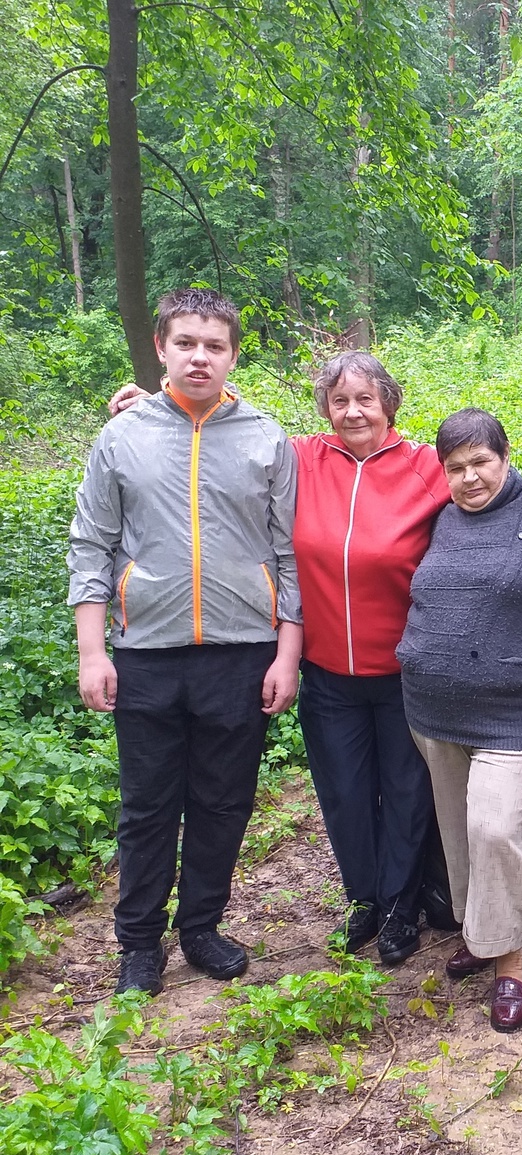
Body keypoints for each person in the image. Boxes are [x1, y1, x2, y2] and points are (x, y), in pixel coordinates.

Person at [108, 353, 453, 967]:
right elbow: (226, 431)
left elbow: (485, 484)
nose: (353, 412)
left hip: (406, 670)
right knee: (344, 794)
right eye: (340, 401)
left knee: (405, 792)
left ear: (389, 404)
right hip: (325, 670)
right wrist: (159, 408)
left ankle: (403, 908)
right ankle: (364, 902)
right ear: (325, 408)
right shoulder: (301, 457)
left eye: (366, 400)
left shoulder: (424, 466)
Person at [69, 287, 302, 996]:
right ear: (162, 348)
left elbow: (290, 552)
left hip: (241, 652)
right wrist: (91, 650)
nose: (200, 357)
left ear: (234, 355)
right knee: (146, 807)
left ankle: (201, 926)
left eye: (215, 346)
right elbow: (92, 544)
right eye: (186, 344)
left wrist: (287, 652)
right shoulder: (123, 436)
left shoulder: (267, 436)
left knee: (223, 801)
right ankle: (138, 943)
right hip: (145, 655)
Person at [397, 409, 522, 1033]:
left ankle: (509, 962)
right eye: (455, 468)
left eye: (481, 464)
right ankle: (479, 931)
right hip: (433, 708)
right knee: (458, 831)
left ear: (506, 456)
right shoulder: (439, 519)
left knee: (494, 829)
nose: (469, 479)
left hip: (518, 709)